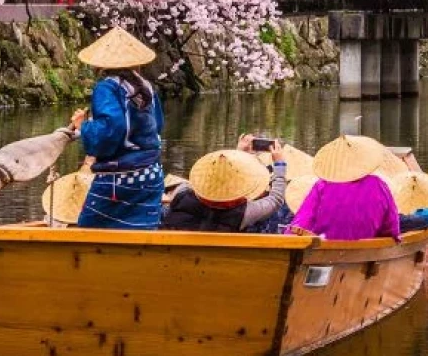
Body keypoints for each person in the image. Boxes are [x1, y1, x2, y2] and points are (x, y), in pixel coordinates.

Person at [70, 27, 165, 229]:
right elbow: (158, 125)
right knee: (142, 230)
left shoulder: (107, 87)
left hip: (120, 179)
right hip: (151, 174)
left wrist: (83, 126)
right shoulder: (146, 86)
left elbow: (111, 129)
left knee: (89, 230)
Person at [164, 137, 294, 234]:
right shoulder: (243, 214)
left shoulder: (181, 193)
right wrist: (279, 164)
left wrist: (238, 154)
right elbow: (276, 200)